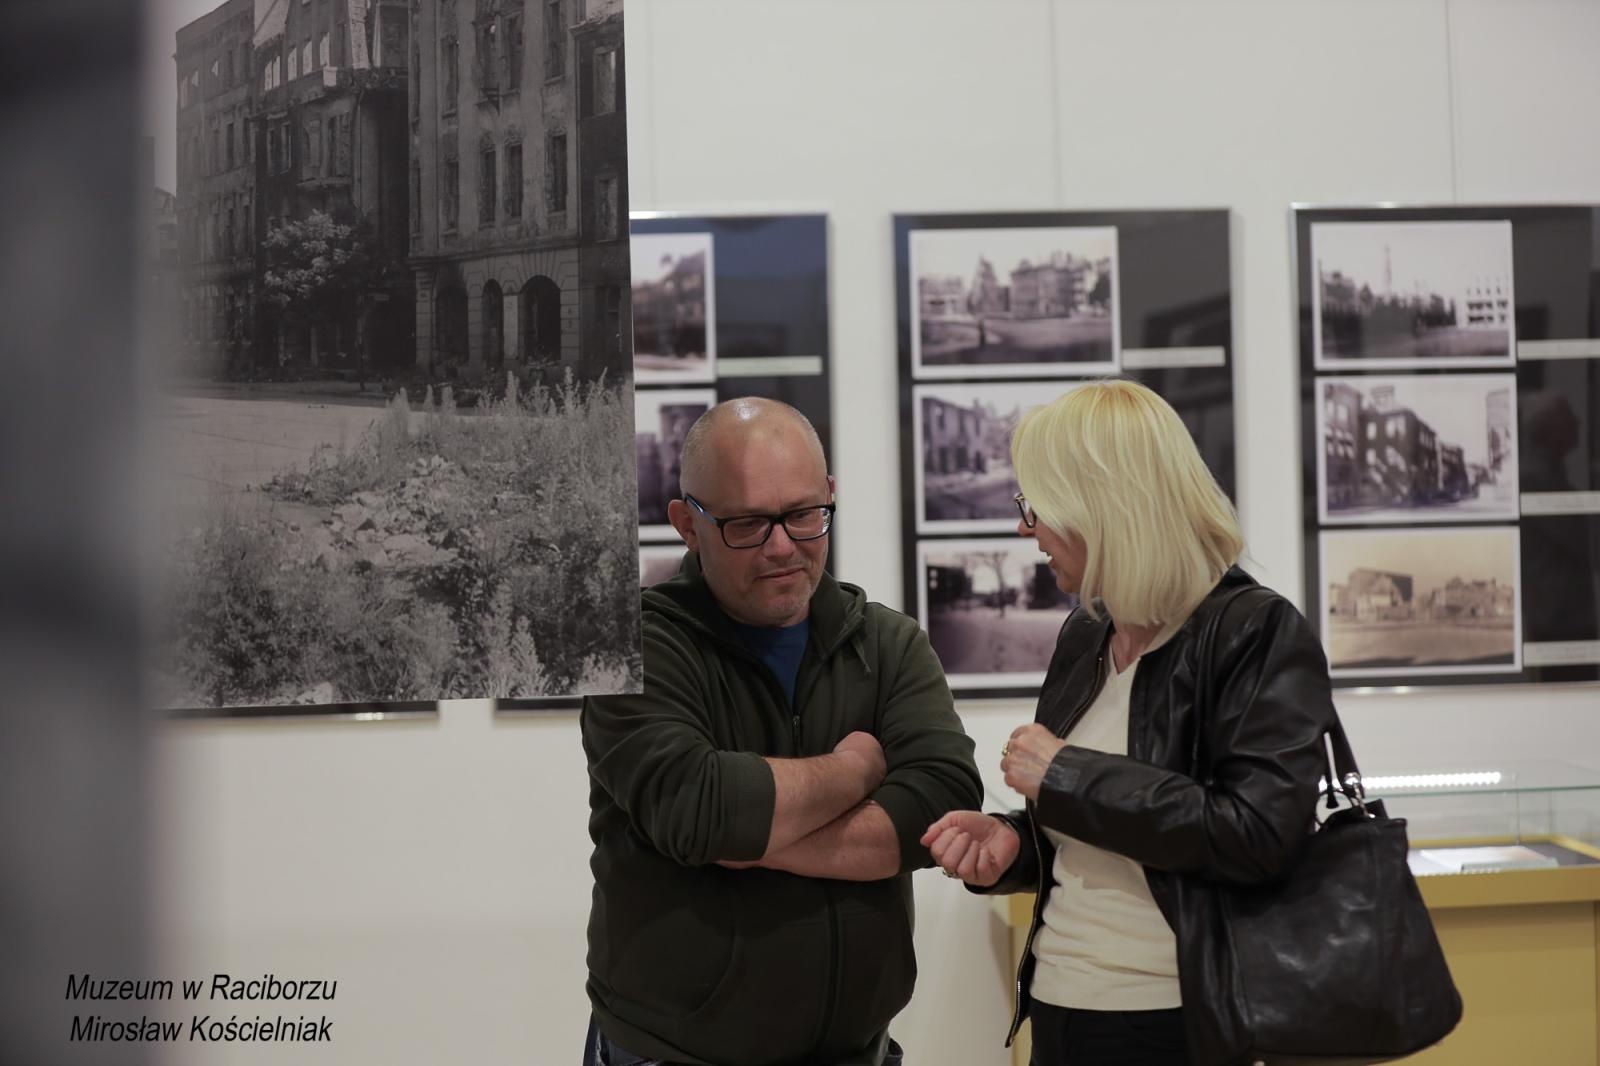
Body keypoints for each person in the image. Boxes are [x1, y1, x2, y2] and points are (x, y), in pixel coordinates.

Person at [921, 380, 1338, 1066]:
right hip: (1061, 1002)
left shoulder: (1251, 631)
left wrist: (1068, 775)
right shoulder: (1086, 633)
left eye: (1036, 507)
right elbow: (1100, 831)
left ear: (1100, 504)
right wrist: (1012, 845)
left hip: (1181, 1020)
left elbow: (1262, 834)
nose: (1026, 529)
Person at [582, 397, 983, 1066]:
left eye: (803, 515)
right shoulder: (632, 649)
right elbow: (702, 810)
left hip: (858, 1050)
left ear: (829, 496)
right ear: (687, 522)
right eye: (747, 524)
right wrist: (858, 769)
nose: (782, 547)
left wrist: (757, 835)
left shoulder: (887, 643)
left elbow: (939, 804)